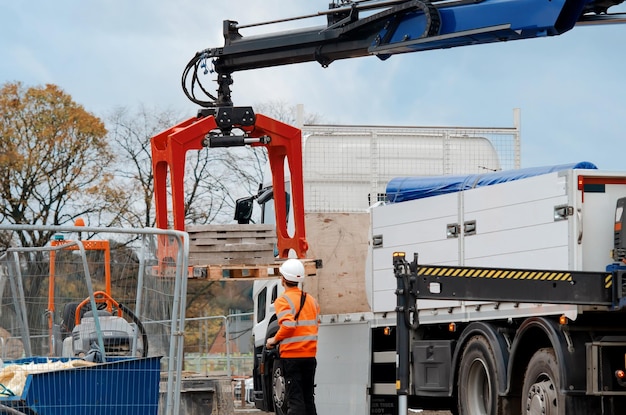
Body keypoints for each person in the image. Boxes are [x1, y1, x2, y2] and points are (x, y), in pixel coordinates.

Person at [266, 258, 320, 415]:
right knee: (308, 399)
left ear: (283, 279)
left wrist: (273, 340)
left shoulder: (282, 300)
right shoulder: (311, 300)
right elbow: (316, 324)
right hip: (310, 356)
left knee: (295, 400)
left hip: (292, 357)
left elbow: (288, 325)